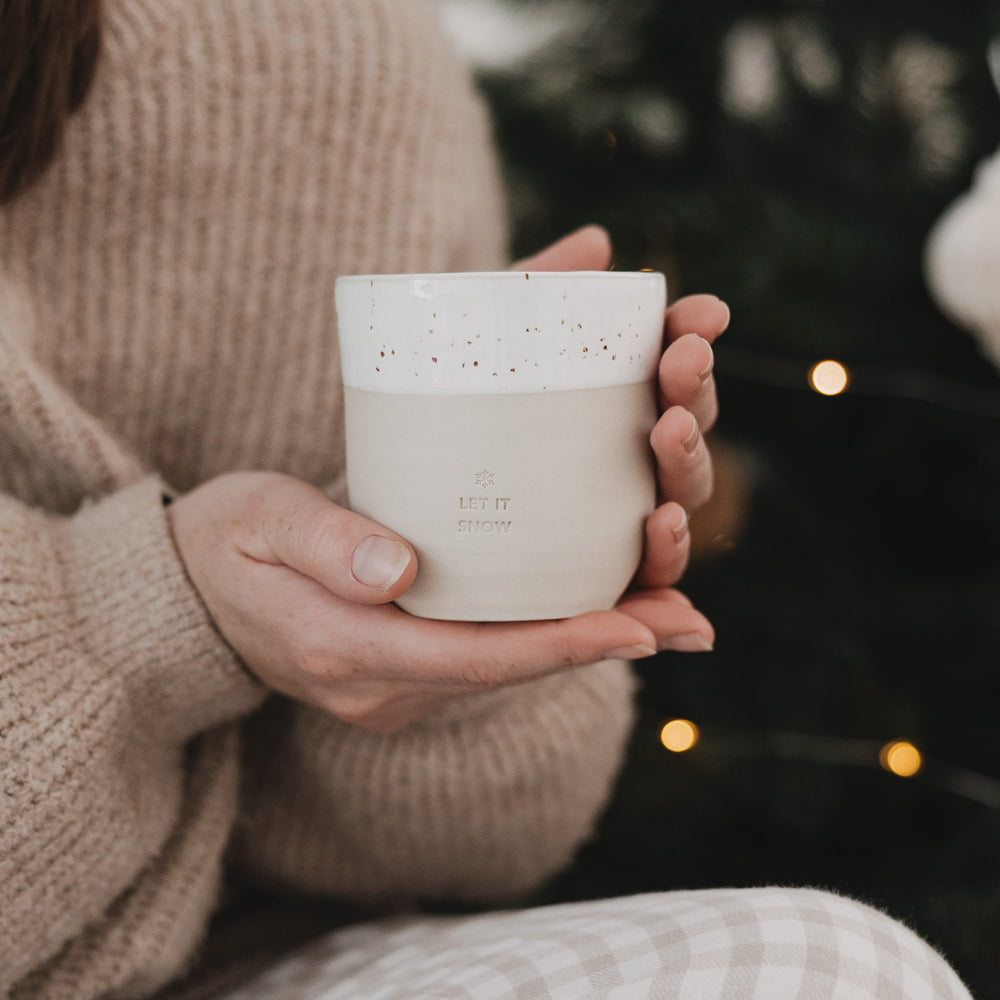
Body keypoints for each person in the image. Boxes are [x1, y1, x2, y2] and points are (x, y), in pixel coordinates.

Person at [0, 1, 973, 998]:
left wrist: (427, 621)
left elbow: (465, 853)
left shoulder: (339, 53)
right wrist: (139, 617)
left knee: (832, 972)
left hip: (234, 957)